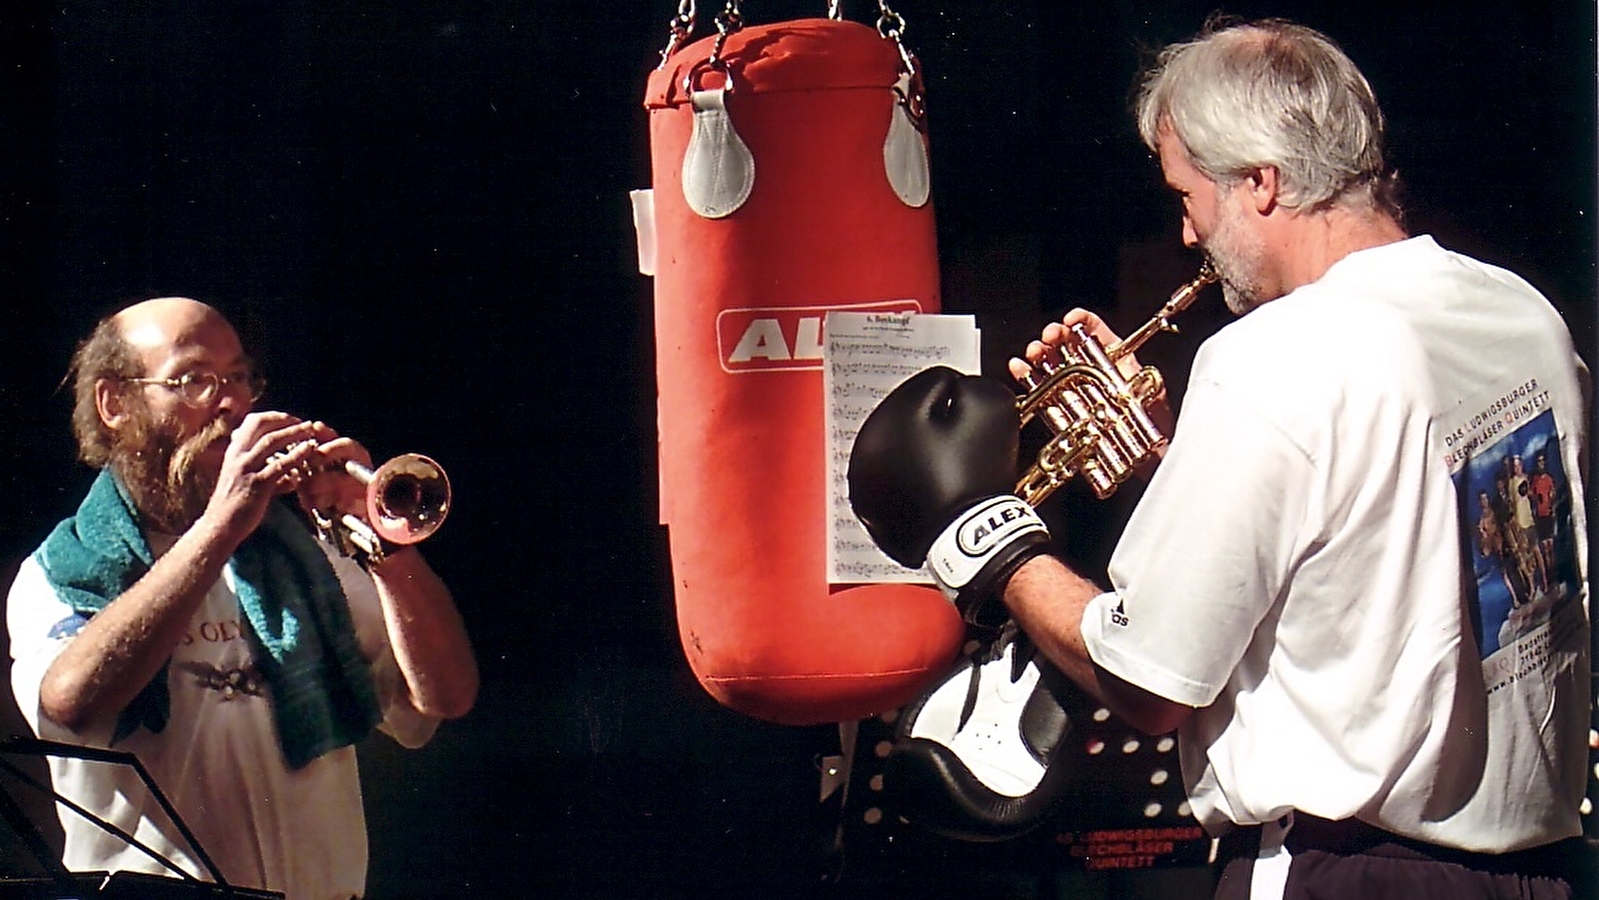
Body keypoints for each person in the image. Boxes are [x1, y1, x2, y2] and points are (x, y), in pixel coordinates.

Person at [847, 18, 1591, 900]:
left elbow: (1149, 679)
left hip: (1336, 870)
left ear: (1261, 184)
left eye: (1187, 197)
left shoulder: (1269, 358)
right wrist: (1179, 465)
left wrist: (987, 539)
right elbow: (1387, 540)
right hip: (1535, 873)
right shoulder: (1520, 316)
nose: (1191, 237)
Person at [6, 297, 480, 900]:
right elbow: (70, 705)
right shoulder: (57, 573)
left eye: (238, 377)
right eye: (194, 380)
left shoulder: (307, 555)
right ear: (116, 404)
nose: (231, 402)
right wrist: (222, 525)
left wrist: (386, 546)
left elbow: (445, 697)